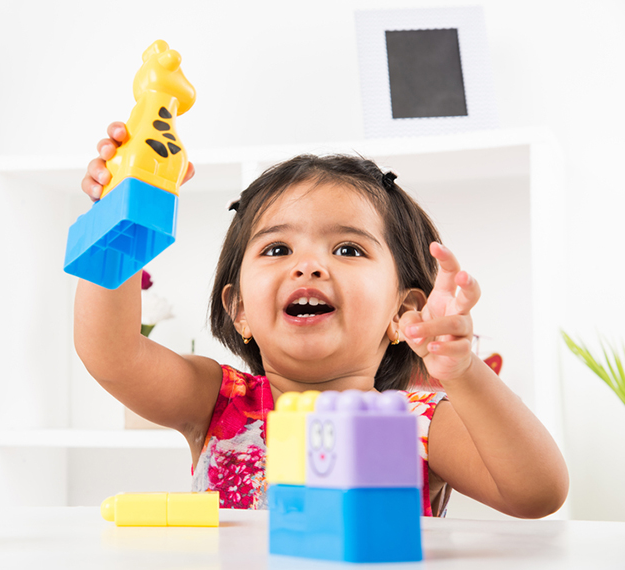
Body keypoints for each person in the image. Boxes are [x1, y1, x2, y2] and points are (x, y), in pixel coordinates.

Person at [74, 122, 569, 518]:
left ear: (403, 313)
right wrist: (124, 217)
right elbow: (113, 354)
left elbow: (536, 494)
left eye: (348, 248)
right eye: (277, 248)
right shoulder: (217, 402)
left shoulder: (416, 423)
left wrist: (461, 372)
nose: (308, 265)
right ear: (240, 309)